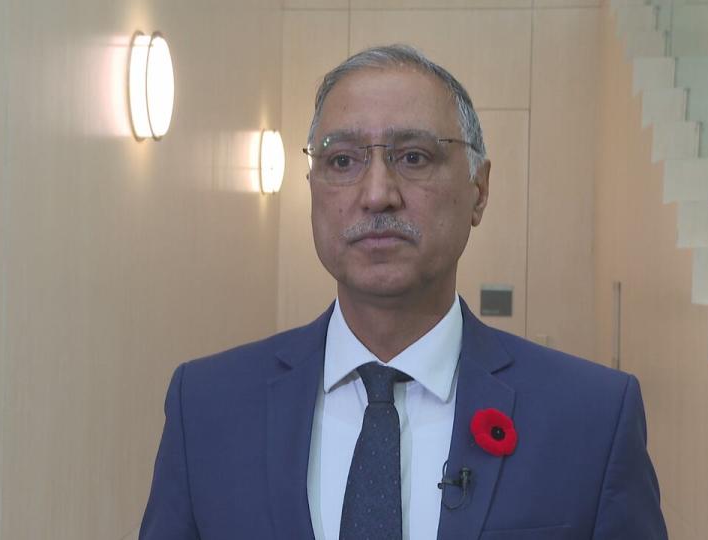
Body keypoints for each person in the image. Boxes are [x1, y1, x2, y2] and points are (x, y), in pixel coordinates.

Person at [139, 44, 668, 540]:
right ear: (312, 190)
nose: (376, 195)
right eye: (342, 161)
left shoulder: (592, 417)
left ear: (478, 191)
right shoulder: (206, 406)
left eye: (413, 157)